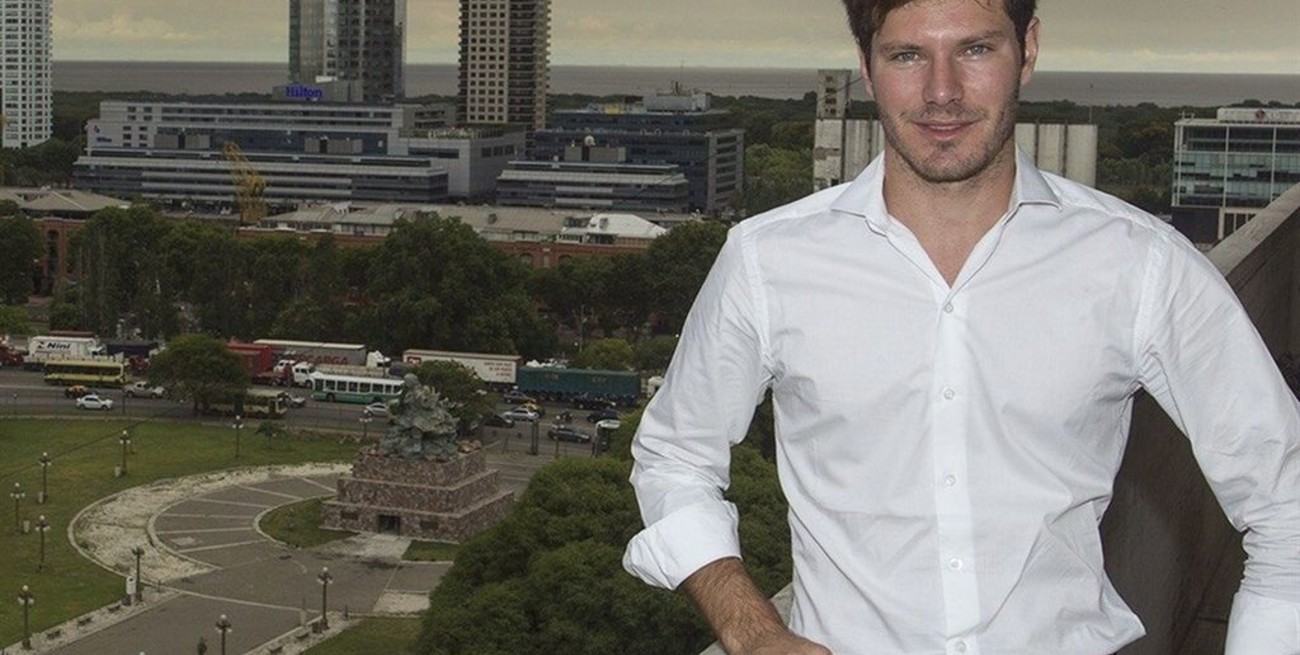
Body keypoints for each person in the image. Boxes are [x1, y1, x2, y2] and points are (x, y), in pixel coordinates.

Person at [621, 1, 1300, 653]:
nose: (941, 91)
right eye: (907, 55)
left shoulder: (1139, 262)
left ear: (1027, 50)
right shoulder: (767, 259)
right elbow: (675, 457)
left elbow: (1286, 502)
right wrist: (750, 629)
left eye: (974, 49)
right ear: (866, 66)